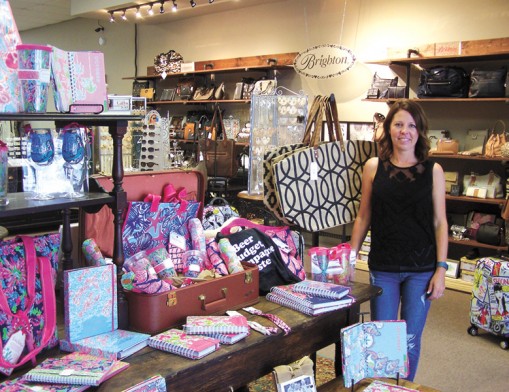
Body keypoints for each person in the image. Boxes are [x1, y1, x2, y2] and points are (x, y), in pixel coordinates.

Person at [349, 99, 448, 381]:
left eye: (412, 125)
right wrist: (349, 258)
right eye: (399, 124)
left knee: (410, 340)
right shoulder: (373, 167)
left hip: (422, 269)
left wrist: (441, 269)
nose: (405, 131)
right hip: (384, 267)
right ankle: (381, 387)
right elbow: (363, 217)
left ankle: (404, 387)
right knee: (382, 340)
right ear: (389, 128)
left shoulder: (434, 171)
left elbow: (441, 223)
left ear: (420, 131)